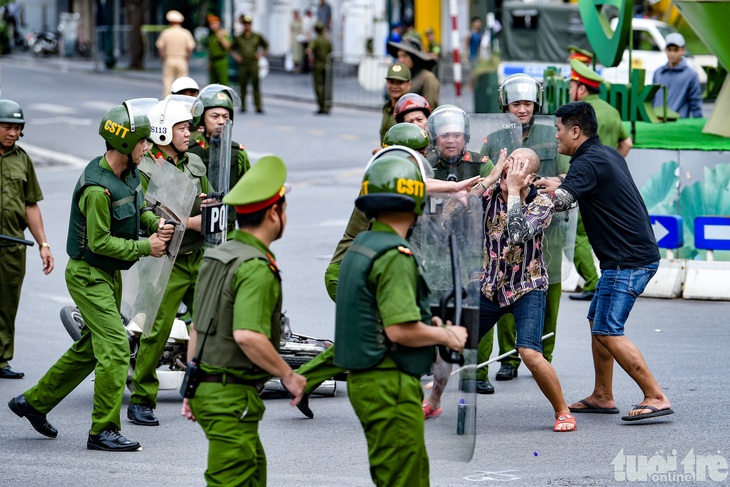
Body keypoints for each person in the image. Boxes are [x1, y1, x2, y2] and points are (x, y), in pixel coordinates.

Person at [8, 101, 173, 450]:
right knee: (114, 347)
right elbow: (100, 244)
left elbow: (139, 208)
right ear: (126, 144)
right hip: (89, 274)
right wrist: (148, 247)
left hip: (109, 275)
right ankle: (103, 431)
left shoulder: (128, 173)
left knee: (89, 349)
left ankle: (33, 403)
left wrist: (153, 223)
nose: (148, 147)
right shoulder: (97, 189)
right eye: (144, 142)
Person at [293, 144, 477, 420]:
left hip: (357, 268)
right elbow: (417, 187)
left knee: (368, 335)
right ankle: (299, 379)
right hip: (349, 277)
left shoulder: (381, 179)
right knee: (374, 336)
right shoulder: (391, 196)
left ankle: (301, 380)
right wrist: (445, 336)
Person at [334, 153, 468, 485]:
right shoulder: (395, 255)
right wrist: (447, 336)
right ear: (415, 200)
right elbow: (400, 330)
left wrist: (428, 323)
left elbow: (381, 312)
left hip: (370, 380)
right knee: (403, 477)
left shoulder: (365, 242)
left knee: (401, 471)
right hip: (388, 381)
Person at [424, 147, 577, 433]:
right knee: (451, 343)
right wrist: (490, 177)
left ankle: (563, 411)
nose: (510, 175)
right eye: (508, 168)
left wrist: (516, 192)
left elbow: (518, 234)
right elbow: (449, 214)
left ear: (530, 177)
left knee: (529, 352)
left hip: (527, 286)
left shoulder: (541, 203)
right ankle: (433, 400)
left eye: (518, 170)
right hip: (489, 284)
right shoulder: (490, 194)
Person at [539, 101, 673, 422]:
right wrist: (553, 181)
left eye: (559, 130)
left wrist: (520, 191)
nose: (556, 137)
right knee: (597, 322)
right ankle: (602, 395)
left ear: (575, 131)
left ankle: (655, 395)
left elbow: (561, 202)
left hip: (628, 260)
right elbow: (577, 182)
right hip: (628, 256)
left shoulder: (589, 162)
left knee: (608, 329)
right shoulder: (603, 153)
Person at [181, 155, 306, 486]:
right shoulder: (255, 266)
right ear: (274, 213)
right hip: (229, 396)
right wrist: (289, 376)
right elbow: (248, 335)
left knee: (253, 474)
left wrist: (191, 389)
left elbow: (198, 326)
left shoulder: (219, 254)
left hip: (211, 389)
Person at [477, 74, 570, 393]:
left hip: (547, 226)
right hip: (504, 223)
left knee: (548, 294)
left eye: (527, 103)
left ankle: (542, 355)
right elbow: (483, 177)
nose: (522, 109)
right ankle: (509, 359)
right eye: (516, 103)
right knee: (503, 292)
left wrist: (547, 183)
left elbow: (567, 174)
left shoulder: (551, 134)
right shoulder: (495, 138)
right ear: (506, 104)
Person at [127, 96, 211, 426]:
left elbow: (208, 194)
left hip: (197, 255)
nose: (189, 133)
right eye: (181, 127)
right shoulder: (147, 168)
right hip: (166, 261)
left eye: (189, 127)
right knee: (156, 330)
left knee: (210, 322)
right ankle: (142, 399)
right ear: (163, 131)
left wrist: (209, 205)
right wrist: (188, 223)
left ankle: (203, 388)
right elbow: (144, 214)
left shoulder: (194, 164)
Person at [567, 59, 633, 301]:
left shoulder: (577, 114)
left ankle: (592, 282)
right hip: (604, 188)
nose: (569, 90)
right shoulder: (612, 111)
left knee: (577, 235)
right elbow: (627, 143)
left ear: (581, 89)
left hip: (577, 182)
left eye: (572, 85)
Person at [0, 99, 54, 379]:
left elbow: (30, 204)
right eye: (7, 127)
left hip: (11, 245)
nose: (13, 133)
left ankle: (1, 359)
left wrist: (43, 244)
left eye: (17, 128)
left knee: (7, 304)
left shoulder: (22, 159)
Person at [189, 84, 251, 235]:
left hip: (228, 234)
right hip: (197, 236)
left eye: (226, 117)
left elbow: (249, 193)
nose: (221, 122)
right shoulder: (189, 153)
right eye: (215, 116)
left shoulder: (238, 153)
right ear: (202, 118)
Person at [426, 104, 492, 181]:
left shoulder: (482, 165)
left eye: (456, 135)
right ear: (434, 140)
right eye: (444, 135)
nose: (450, 140)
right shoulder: (426, 167)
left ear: (465, 137)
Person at [652, 32, 703, 119]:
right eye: (669, 49)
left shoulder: (691, 75)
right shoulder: (658, 73)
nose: (672, 53)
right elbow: (652, 99)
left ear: (683, 50)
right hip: (657, 122)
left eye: (676, 50)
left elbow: (696, 103)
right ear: (665, 50)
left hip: (678, 123)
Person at [231, 16, 268, 114]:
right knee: (243, 85)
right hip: (243, 64)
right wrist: (237, 57)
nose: (247, 26)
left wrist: (261, 55)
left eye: (249, 24)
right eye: (245, 24)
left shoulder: (257, 36)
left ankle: (258, 106)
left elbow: (266, 45)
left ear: (251, 25)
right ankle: (243, 106)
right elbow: (232, 48)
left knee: (256, 85)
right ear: (243, 25)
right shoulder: (239, 37)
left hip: (253, 63)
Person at [388, 37, 439, 108]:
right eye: (399, 56)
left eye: (404, 56)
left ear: (414, 58)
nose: (400, 60)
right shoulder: (404, 77)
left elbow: (431, 108)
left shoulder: (428, 78)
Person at [156, 10, 196, 98]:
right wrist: (188, 57)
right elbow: (191, 46)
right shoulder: (185, 33)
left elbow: (160, 46)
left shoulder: (166, 33)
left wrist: (162, 57)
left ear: (170, 22)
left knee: (167, 83)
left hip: (169, 59)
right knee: (182, 84)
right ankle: (182, 101)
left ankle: (166, 102)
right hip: (182, 59)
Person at [379, 62, 412, 144]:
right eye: (391, 82)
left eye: (400, 83)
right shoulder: (387, 107)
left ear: (409, 84)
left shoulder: (412, 110)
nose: (395, 86)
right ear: (386, 83)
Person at [308, 21, 333, 114]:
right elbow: (331, 52)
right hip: (328, 65)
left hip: (318, 65)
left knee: (318, 86)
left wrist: (311, 60)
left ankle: (321, 106)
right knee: (327, 85)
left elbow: (309, 50)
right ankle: (328, 105)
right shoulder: (328, 40)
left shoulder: (316, 40)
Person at [206, 14, 232, 86]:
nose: (212, 26)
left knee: (223, 82)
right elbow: (210, 50)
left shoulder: (223, 33)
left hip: (221, 60)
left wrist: (221, 38)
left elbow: (228, 46)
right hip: (213, 61)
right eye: (211, 24)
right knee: (212, 84)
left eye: (214, 23)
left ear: (218, 23)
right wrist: (209, 63)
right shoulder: (211, 35)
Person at [301, 10, 315, 74]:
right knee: (308, 53)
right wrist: (308, 39)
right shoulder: (307, 20)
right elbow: (307, 30)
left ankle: (306, 67)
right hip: (307, 39)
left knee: (306, 54)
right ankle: (307, 67)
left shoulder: (304, 19)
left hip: (305, 38)